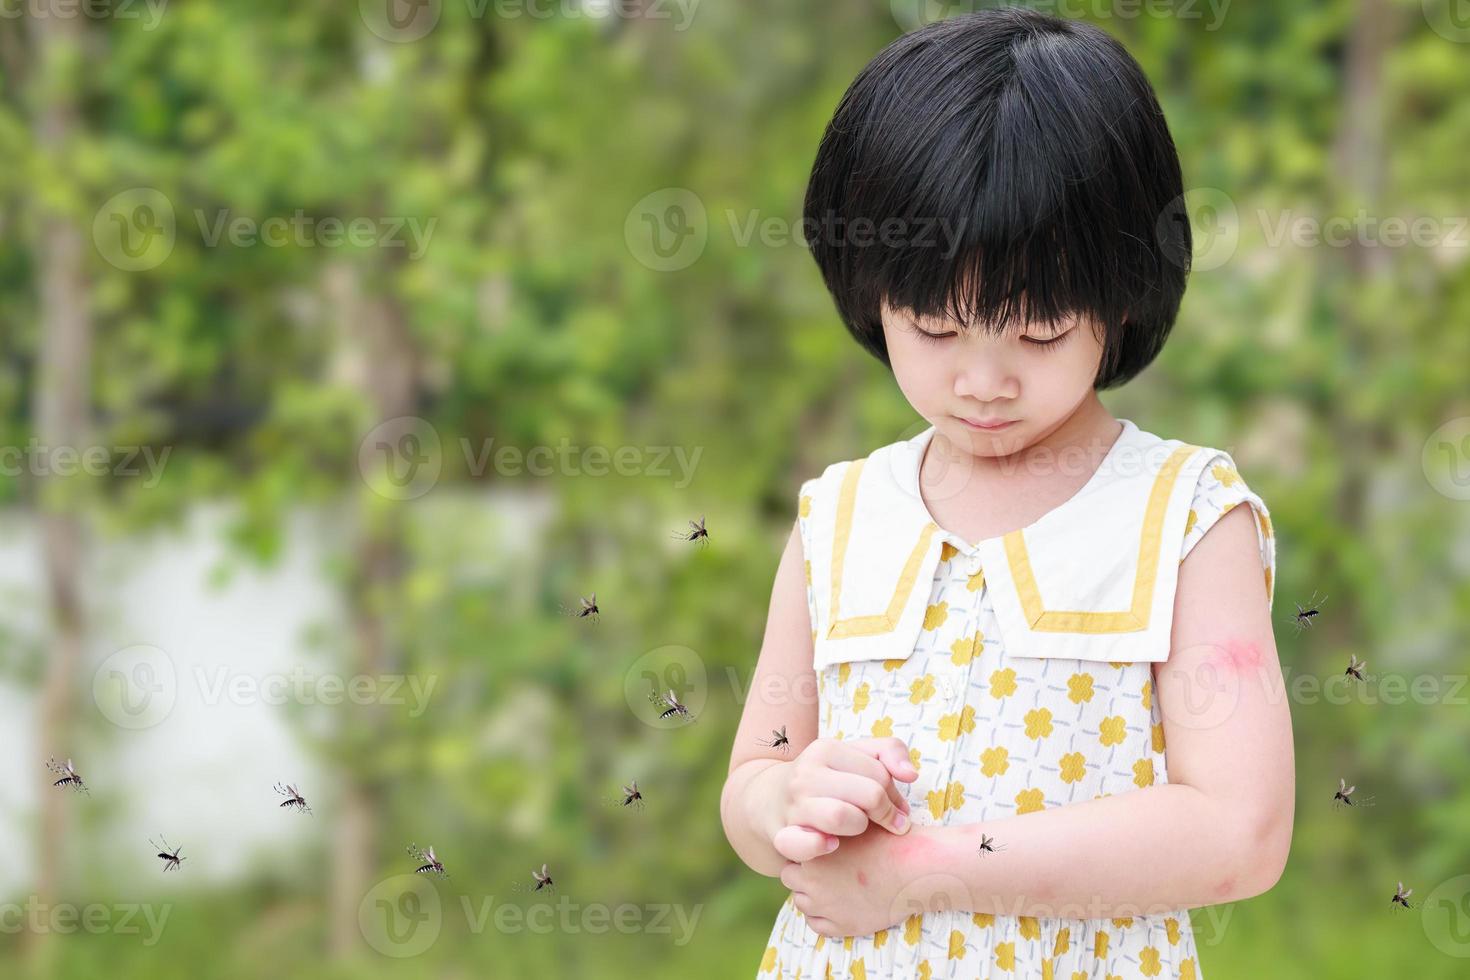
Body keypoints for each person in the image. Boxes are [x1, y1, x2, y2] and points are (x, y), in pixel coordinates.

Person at [719, 9, 1294, 978]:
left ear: (1122, 297)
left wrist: (923, 869)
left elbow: (1240, 829)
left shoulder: (1185, 516)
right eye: (936, 330)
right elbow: (758, 768)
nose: (983, 380)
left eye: (1037, 335)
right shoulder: (840, 517)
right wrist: (783, 805)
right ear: (870, 292)